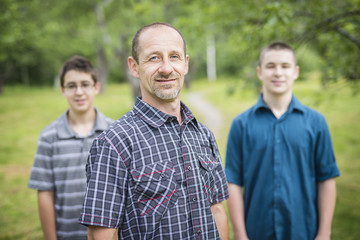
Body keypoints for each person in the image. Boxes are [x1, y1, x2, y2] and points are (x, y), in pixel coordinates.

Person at [78, 22, 229, 240]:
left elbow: (216, 210)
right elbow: (102, 234)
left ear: (185, 64)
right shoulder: (113, 144)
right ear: (134, 66)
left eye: (174, 56)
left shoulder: (202, 135)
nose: (166, 68)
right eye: (154, 58)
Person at [225, 42, 340, 240]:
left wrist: (324, 233)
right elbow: (232, 182)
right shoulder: (241, 124)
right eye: (271, 66)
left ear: (295, 72)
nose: (278, 72)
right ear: (260, 72)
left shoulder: (316, 122)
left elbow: (327, 179)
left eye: (285, 66)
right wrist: (240, 234)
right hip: (256, 231)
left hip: (304, 231)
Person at [28, 56, 113, 239]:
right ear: (62, 90)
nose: (79, 92)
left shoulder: (114, 133)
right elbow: (45, 193)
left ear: (96, 87)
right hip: (66, 233)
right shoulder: (49, 137)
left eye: (85, 84)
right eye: (71, 86)